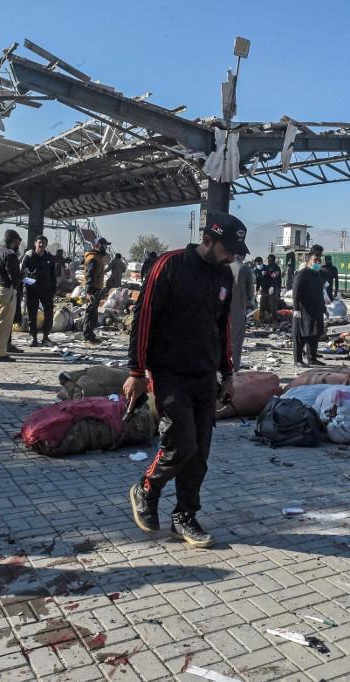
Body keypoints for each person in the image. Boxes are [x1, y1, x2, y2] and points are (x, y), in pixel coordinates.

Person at [124, 211, 247, 547]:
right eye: (228, 249)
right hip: (168, 372)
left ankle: (185, 516)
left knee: (200, 452)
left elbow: (221, 329)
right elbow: (143, 317)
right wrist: (136, 371)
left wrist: (228, 373)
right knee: (181, 443)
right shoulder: (170, 265)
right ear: (208, 240)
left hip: (204, 374)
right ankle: (146, 489)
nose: (233, 256)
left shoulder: (223, 276)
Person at [0, 230, 23, 362]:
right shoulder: (10, 254)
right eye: (18, 241)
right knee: (3, 323)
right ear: (14, 240)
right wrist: (23, 275)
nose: (18, 244)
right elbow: (14, 277)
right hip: (6, 291)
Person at [21, 235, 57, 347]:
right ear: (35, 243)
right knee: (32, 315)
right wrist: (28, 285)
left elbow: (53, 275)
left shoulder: (49, 258)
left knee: (49, 314)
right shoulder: (28, 257)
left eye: (44, 243)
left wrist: (54, 289)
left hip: (46, 290)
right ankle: (34, 337)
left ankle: (46, 337)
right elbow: (22, 275)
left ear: (46, 245)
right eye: (39, 242)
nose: (41, 245)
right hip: (32, 290)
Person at [292, 251, 327, 367]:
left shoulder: (317, 274)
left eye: (319, 261)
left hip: (316, 309)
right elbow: (296, 292)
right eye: (315, 261)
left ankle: (312, 358)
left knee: (314, 334)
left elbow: (320, 293)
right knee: (301, 335)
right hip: (303, 310)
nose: (317, 263)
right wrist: (296, 309)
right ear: (309, 261)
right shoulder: (302, 274)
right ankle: (298, 360)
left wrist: (324, 308)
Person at [229, 255, 255, 369]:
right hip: (237, 310)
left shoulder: (221, 266)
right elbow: (250, 293)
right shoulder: (244, 269)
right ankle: (234, 368)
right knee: (236, 342)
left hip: (220, 310)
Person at [82, 237, 110, 342]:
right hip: (92, 289)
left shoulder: (97, 257)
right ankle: (87, 335)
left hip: (95, 288)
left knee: (93, 312)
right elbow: (90, 275)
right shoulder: (93, 258)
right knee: (90, 312)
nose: (105, 247)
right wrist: (89, 292)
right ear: (98, 245)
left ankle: (90, 334)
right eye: (104, 245)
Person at [258, 254, 282, 322]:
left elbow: (275, 278)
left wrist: (273, 286)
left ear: (271, 259)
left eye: (269, 258)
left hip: (272, 289)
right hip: (266, 289)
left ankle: (273, 320)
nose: (268, 260)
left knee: (272, 305)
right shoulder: (267, 267)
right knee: (264, 305)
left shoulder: (276, 267)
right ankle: (263, 319)